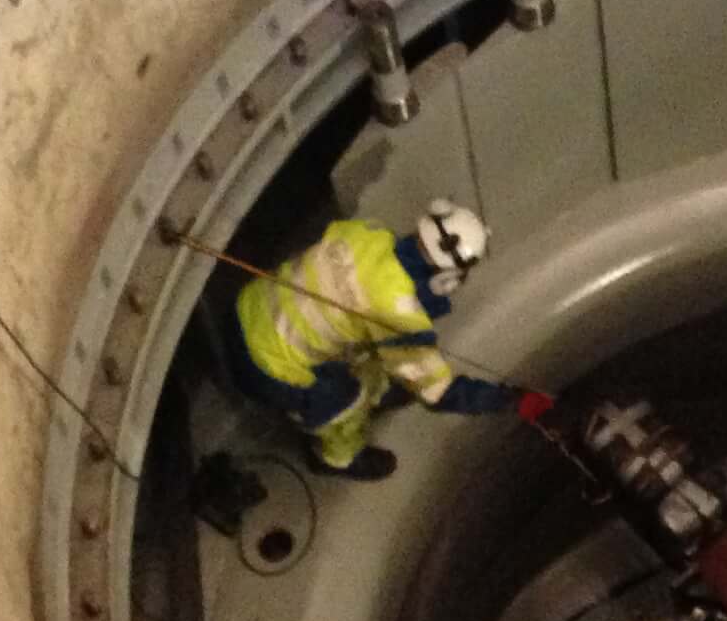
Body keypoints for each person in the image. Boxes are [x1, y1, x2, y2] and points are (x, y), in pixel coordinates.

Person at [231, 199, 546, 478]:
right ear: (448, 276)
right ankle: (335, 459)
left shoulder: (368, 234)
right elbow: (440, 393)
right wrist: (514, 400)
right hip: (266, 366)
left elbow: (372, 288)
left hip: (249, 305)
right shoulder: (398, 314)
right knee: (347, 398)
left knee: (372, 350)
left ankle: (378, 390)